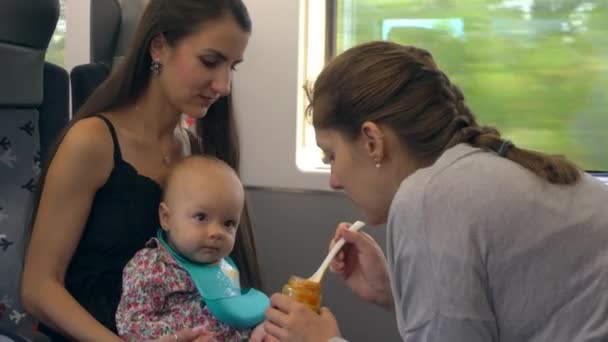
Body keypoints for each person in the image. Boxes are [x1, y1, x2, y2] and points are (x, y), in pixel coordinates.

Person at [263, 41, 608, 342]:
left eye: (332, 155)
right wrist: (393, 293)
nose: (333, 180)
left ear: (372, 141)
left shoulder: (427, 200)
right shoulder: (480, 175)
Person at [20, 1, 263, 341]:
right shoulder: (92, 142)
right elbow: (38, 288)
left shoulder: (196, 153)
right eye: (210, 61)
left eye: (232, 67)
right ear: (159, 47)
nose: (224, 85)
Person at [116, 156, 268, 342]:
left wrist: (257, 328)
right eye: (201, 217)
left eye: (228, 223)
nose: (216, 232)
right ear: (166, 218)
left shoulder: (224, 267)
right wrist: (180, 334)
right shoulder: (150, 266)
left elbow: (233, 312)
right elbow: (130, 325)